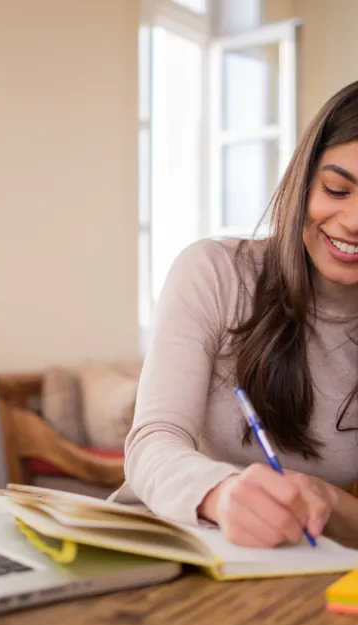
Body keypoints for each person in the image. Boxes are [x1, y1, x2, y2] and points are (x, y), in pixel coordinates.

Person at [111, 80, 358, 549]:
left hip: (294, 571)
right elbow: (152, 442)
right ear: (303, 180)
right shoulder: (215, 272)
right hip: (167, 546)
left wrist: (320, 496)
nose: (353, 220)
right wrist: (221, 494)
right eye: (336, 189)